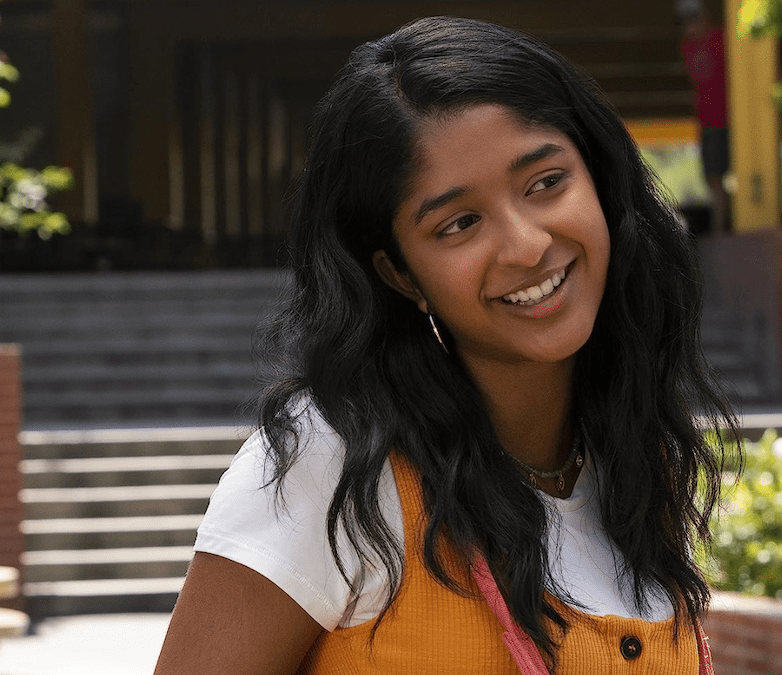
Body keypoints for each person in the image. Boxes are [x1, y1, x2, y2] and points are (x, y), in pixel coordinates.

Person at [154, 16, 737, 674]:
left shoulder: (633, 457)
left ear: (600, 180)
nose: (525, 245)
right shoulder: (333, 460)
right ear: (403, 274)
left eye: (546, 182)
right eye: (460, 223)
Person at [676, 0, 730, 235]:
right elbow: (699, 75)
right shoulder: (688, 46)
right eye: (685, 21)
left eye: (694, 18)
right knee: (712, 179)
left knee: (720, 179)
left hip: (727, 121)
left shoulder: (721, 38)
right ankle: (720, 229)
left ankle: (721, 230)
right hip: (708, 123)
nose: (690, 25)